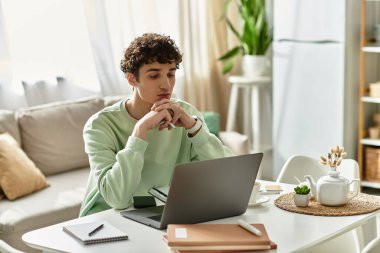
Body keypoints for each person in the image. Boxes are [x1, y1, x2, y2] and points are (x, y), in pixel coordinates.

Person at [79, 33, 232, 217]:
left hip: (160, 212)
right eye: (154, 76)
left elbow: (224, 175)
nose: (166, 85)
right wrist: (139, 131)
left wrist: (194, 128)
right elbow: (117, 199)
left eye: (171, 74)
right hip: (108, 219)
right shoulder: (99, 125)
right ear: (132, 79)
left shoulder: (184, 113)